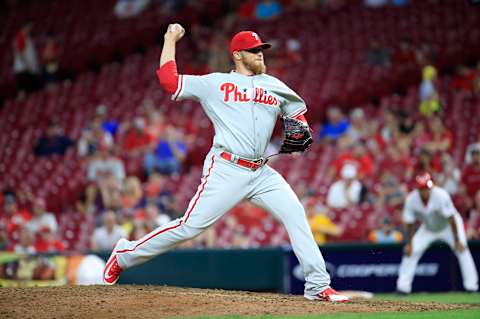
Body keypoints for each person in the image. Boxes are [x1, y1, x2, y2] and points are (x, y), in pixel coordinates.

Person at [103, 24, 349, 302]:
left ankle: (317, 285)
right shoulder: (215, 83)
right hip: (227, 168)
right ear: (238, 55)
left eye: (262, 50)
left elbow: (296, 111)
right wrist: (169, 39)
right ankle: (125, 254)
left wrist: (300, 127)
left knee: (295, 212)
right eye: (254, 51)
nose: (260, 54)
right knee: (190, 227)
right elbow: (169, 81)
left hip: (261, 172)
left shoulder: (274, 85)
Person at [396, 173, 478, 293]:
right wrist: (410, 243)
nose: (425, 191)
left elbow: (451, 219)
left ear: (431, 186)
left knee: (462, 249)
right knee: (411, 251)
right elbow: (410, 223)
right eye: (422, 188)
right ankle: (403, 287)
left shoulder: (441, 195)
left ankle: (471, 286)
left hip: (449, 227)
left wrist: (456, 240)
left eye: (427, 188)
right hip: (428, 228)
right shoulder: (411, 199)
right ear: (418, 189)